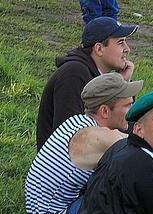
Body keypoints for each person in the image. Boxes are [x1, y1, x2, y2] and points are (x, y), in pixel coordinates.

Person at [25, 73, 143, 214]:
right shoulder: (97, 137)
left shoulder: (77, 122)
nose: (133, 110)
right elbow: (143, 153)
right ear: (104, 111)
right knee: (126, 201)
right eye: (128, 105)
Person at [36, 16, 137, 151]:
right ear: (99, 49)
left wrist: (122, 84)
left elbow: (124, 121)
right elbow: (69, 135)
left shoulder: (94, 74)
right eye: (120, 42)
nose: (127, 49)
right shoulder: (73, 74)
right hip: (69, 166)